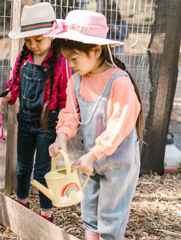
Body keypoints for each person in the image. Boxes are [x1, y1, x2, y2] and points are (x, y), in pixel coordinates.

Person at [46, 10, 143, 240]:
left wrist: (94, 154)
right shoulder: (76, 80)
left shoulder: (119, 83)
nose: (70, 65)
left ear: (96, 50)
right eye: (67, 60)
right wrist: (62, 136)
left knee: (111, 217)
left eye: (74, 59)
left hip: (118, 163)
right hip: (90, 161)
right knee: (89, 210)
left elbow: (118, 126)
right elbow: (70, 113)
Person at [0, 2, 70, 222]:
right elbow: (14, 87)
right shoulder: (24, 57)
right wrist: (1, 100)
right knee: (23, 167)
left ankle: (47, 214)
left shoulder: (61, 62)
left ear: (51, 36)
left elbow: (66, 100)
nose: (33, 45)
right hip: (25, 121)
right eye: (28, 40)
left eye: (38, 39)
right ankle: (22, 201)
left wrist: (62, 132)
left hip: (48, 125)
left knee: (42, 172)